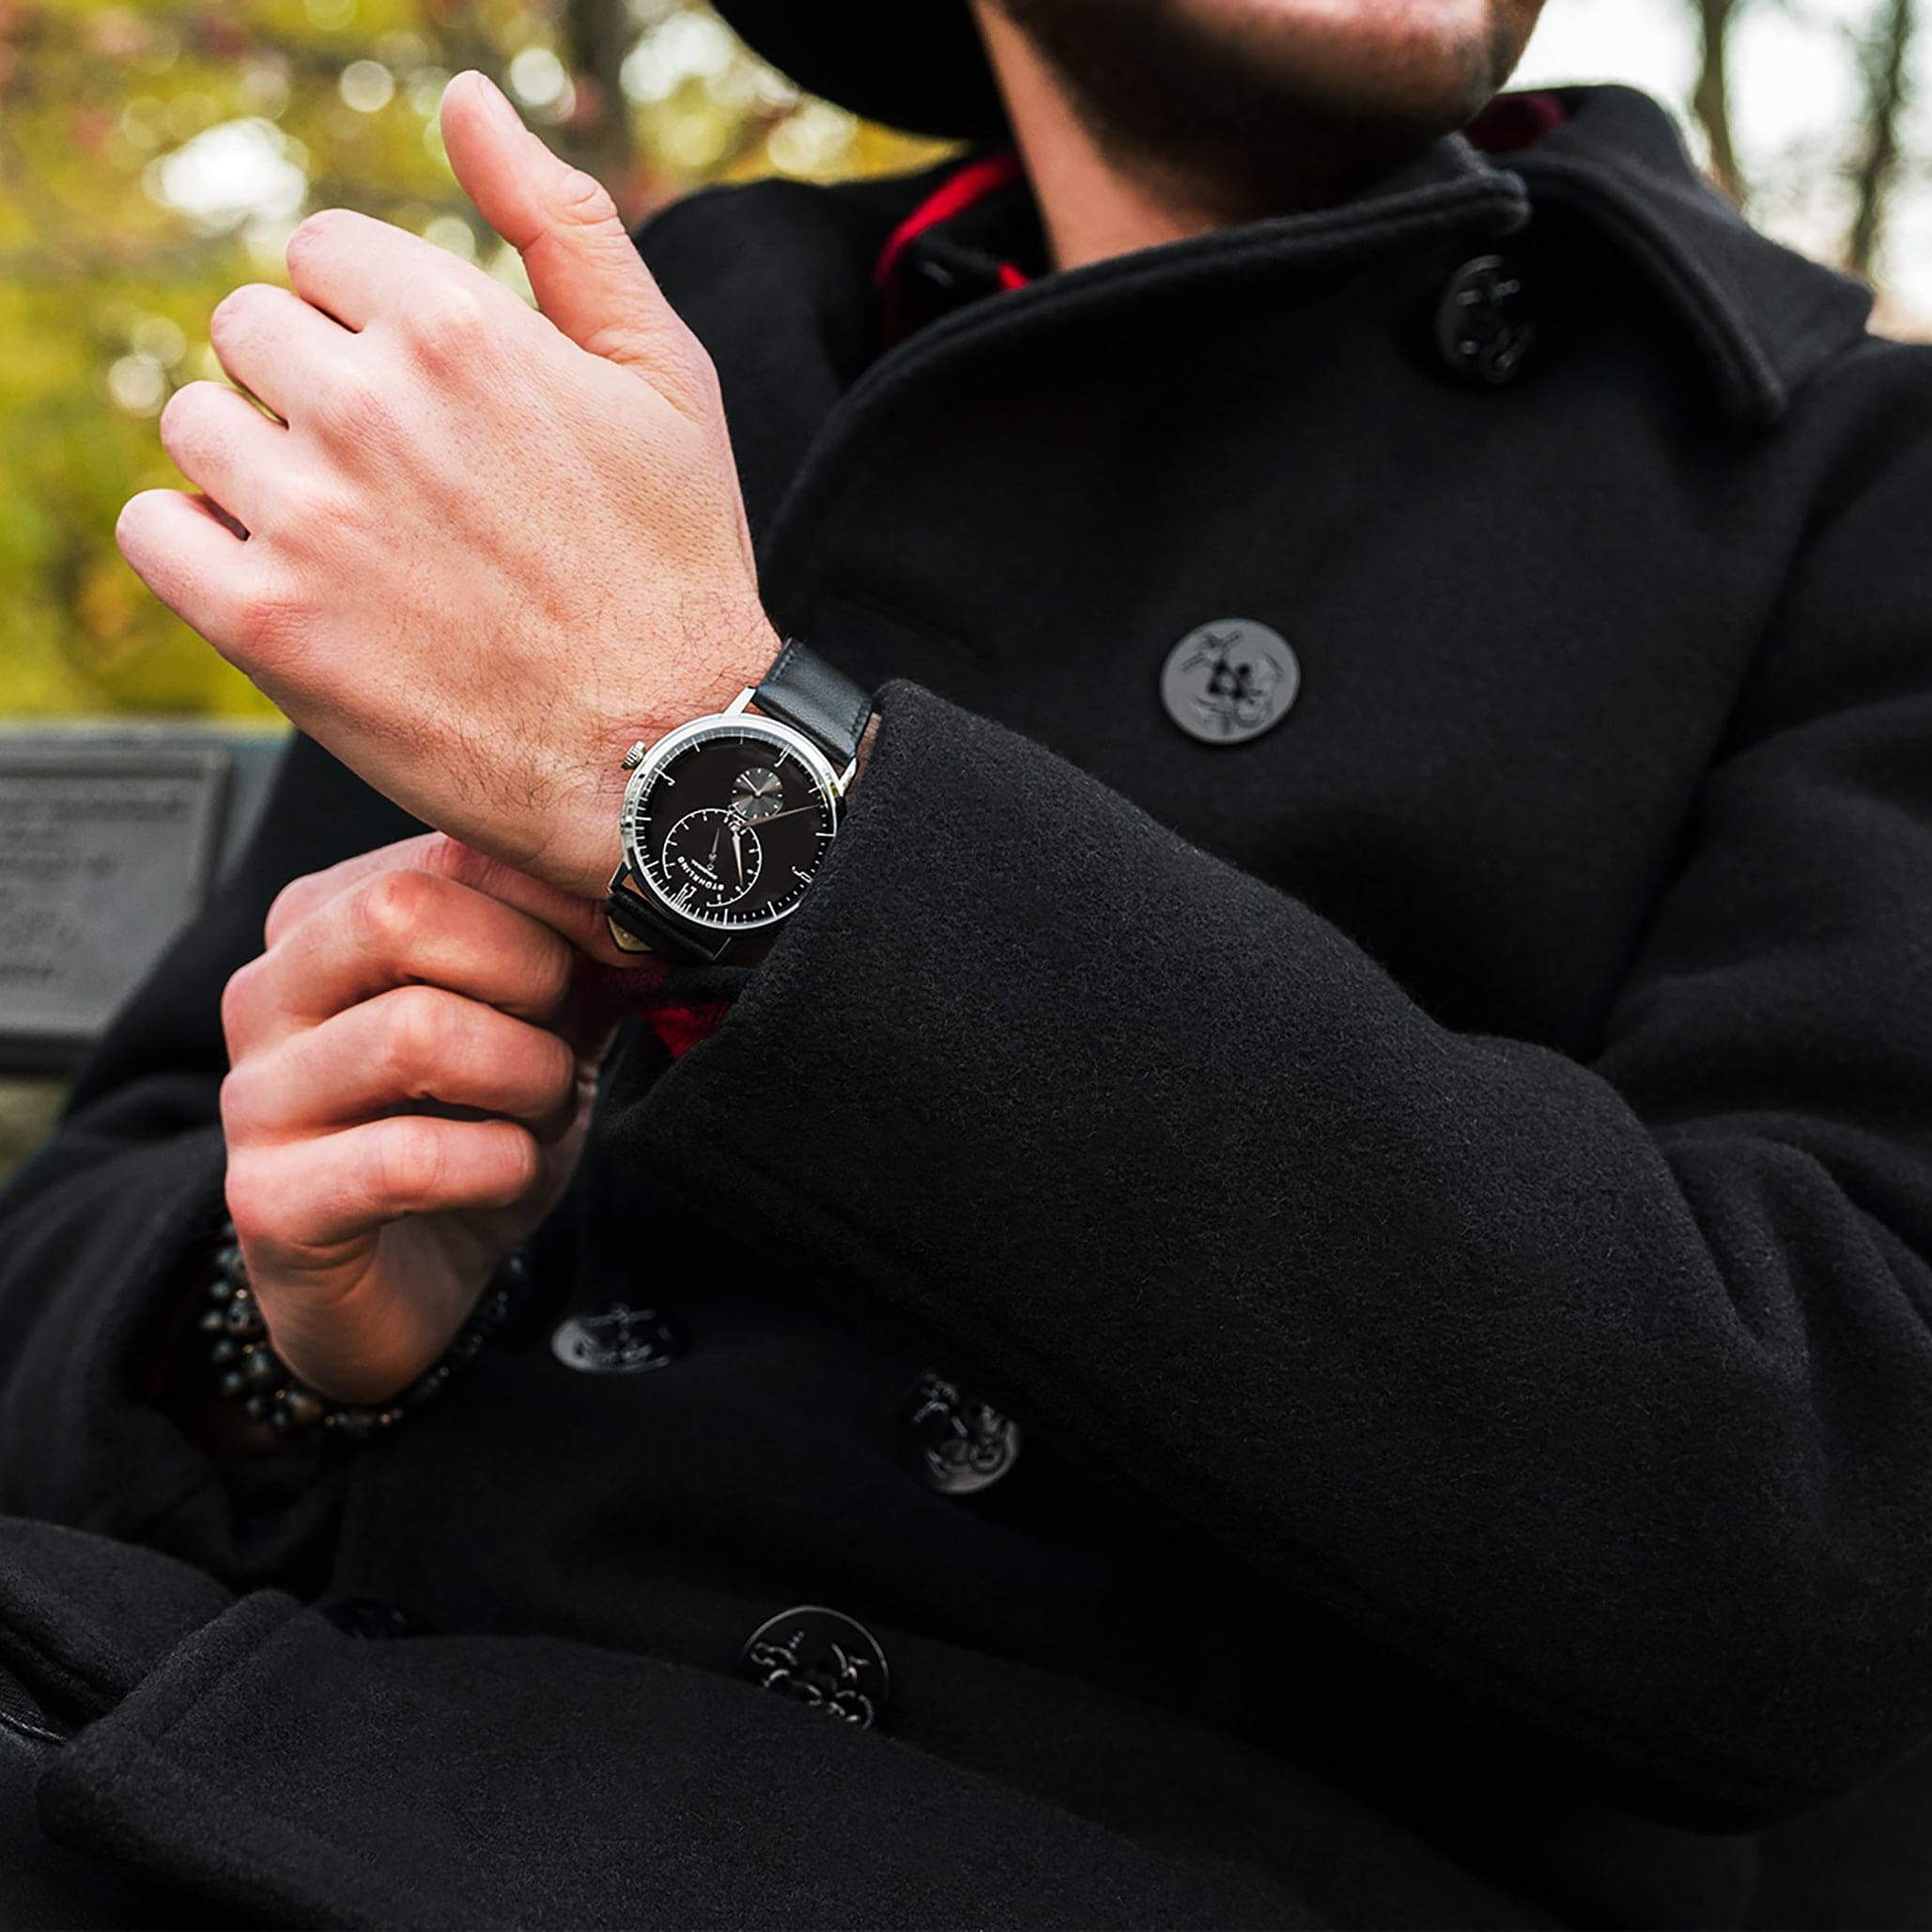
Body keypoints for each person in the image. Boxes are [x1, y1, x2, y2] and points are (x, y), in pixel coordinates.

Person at [3, 0, 1931, 1923]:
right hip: (280, 1758)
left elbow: (1811, 1537)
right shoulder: (639, 370)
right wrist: (292, 1325)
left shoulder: (1849, 472)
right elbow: (73, 1264)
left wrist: (733, 777)